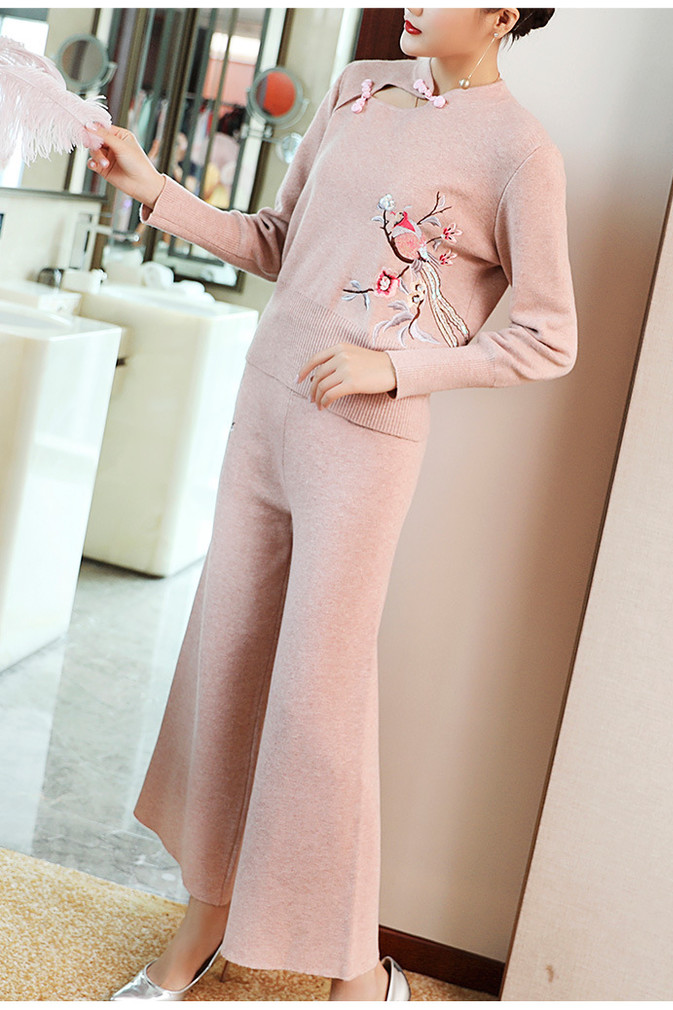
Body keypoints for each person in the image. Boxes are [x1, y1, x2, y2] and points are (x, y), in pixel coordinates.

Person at [85, 7, 576, 1002]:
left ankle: (356, 967)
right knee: (227, 660)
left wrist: (392, 367)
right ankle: (203, 925)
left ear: (502, 13)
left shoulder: (521, 152)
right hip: (264, 410)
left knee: (319, 702)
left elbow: (546, 336)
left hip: (361, 445)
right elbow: (277, 240)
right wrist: (154, 191)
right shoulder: (357, 88)